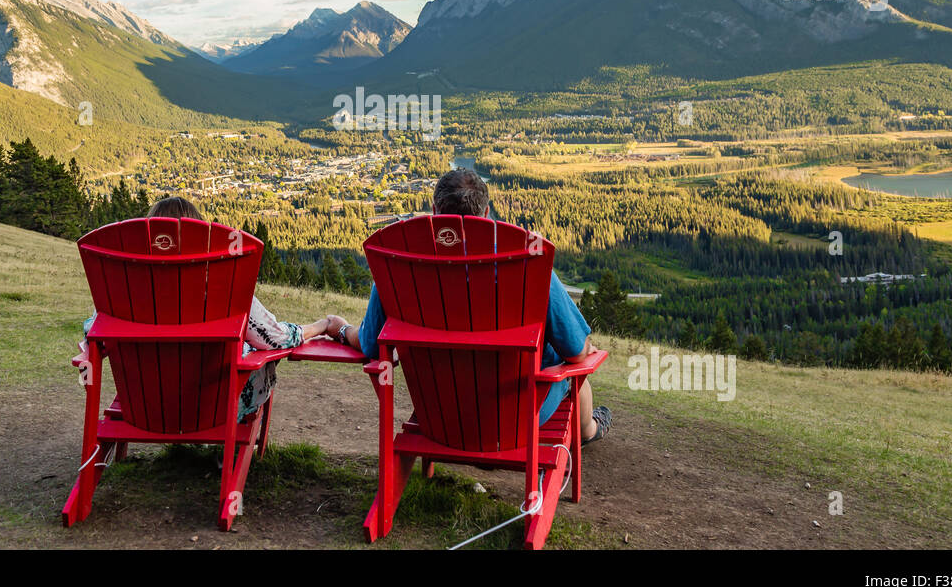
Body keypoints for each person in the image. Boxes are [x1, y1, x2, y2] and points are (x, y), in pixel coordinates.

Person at [324, 169, 612, 444]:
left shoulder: (398, 268)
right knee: (573, 372)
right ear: (485, 215)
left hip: (439, 416)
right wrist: (586, 349)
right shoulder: (529, 268)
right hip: (512, 421)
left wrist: (343, 329)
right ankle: (589, 431)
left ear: (435, 212)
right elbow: (576, 353)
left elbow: (372, 346)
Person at [80, 196, 330, 422]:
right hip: (213, 409)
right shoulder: (224, 284)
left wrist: (86, 356)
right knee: (252, 354)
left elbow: (93, 334)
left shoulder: (122, 289)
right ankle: (230, 451)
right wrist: (322, 326)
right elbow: (274, 338)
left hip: (146, 407)